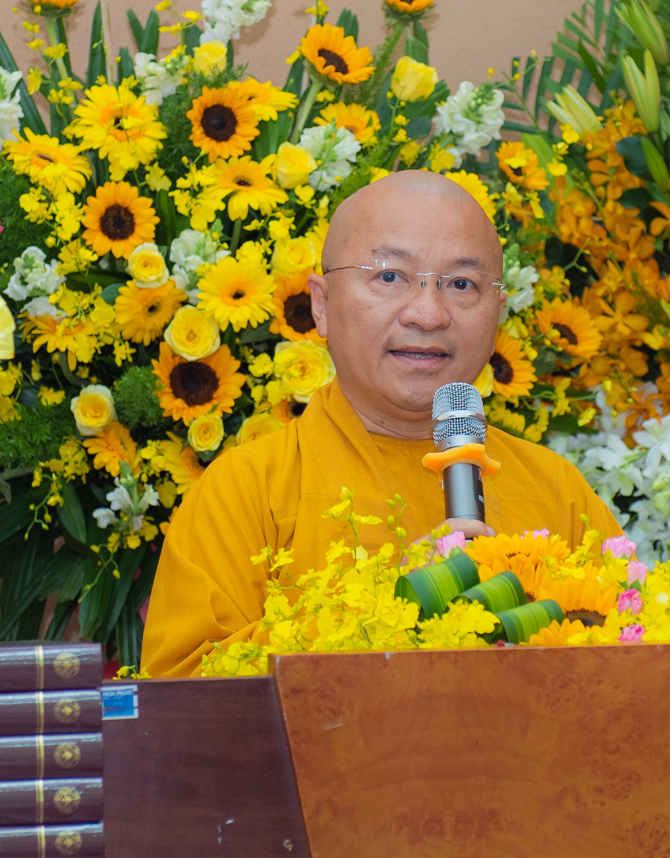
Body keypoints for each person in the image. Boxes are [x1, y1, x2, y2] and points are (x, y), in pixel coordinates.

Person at [138, 169, 623, 676]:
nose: (428, 314)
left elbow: (637, 655)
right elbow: (185, 698)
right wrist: (400, 604)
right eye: (390, 276)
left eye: (461, 284)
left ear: (496, 311)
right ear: (322, 305)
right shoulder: (245, 490)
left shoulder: (556, 489)